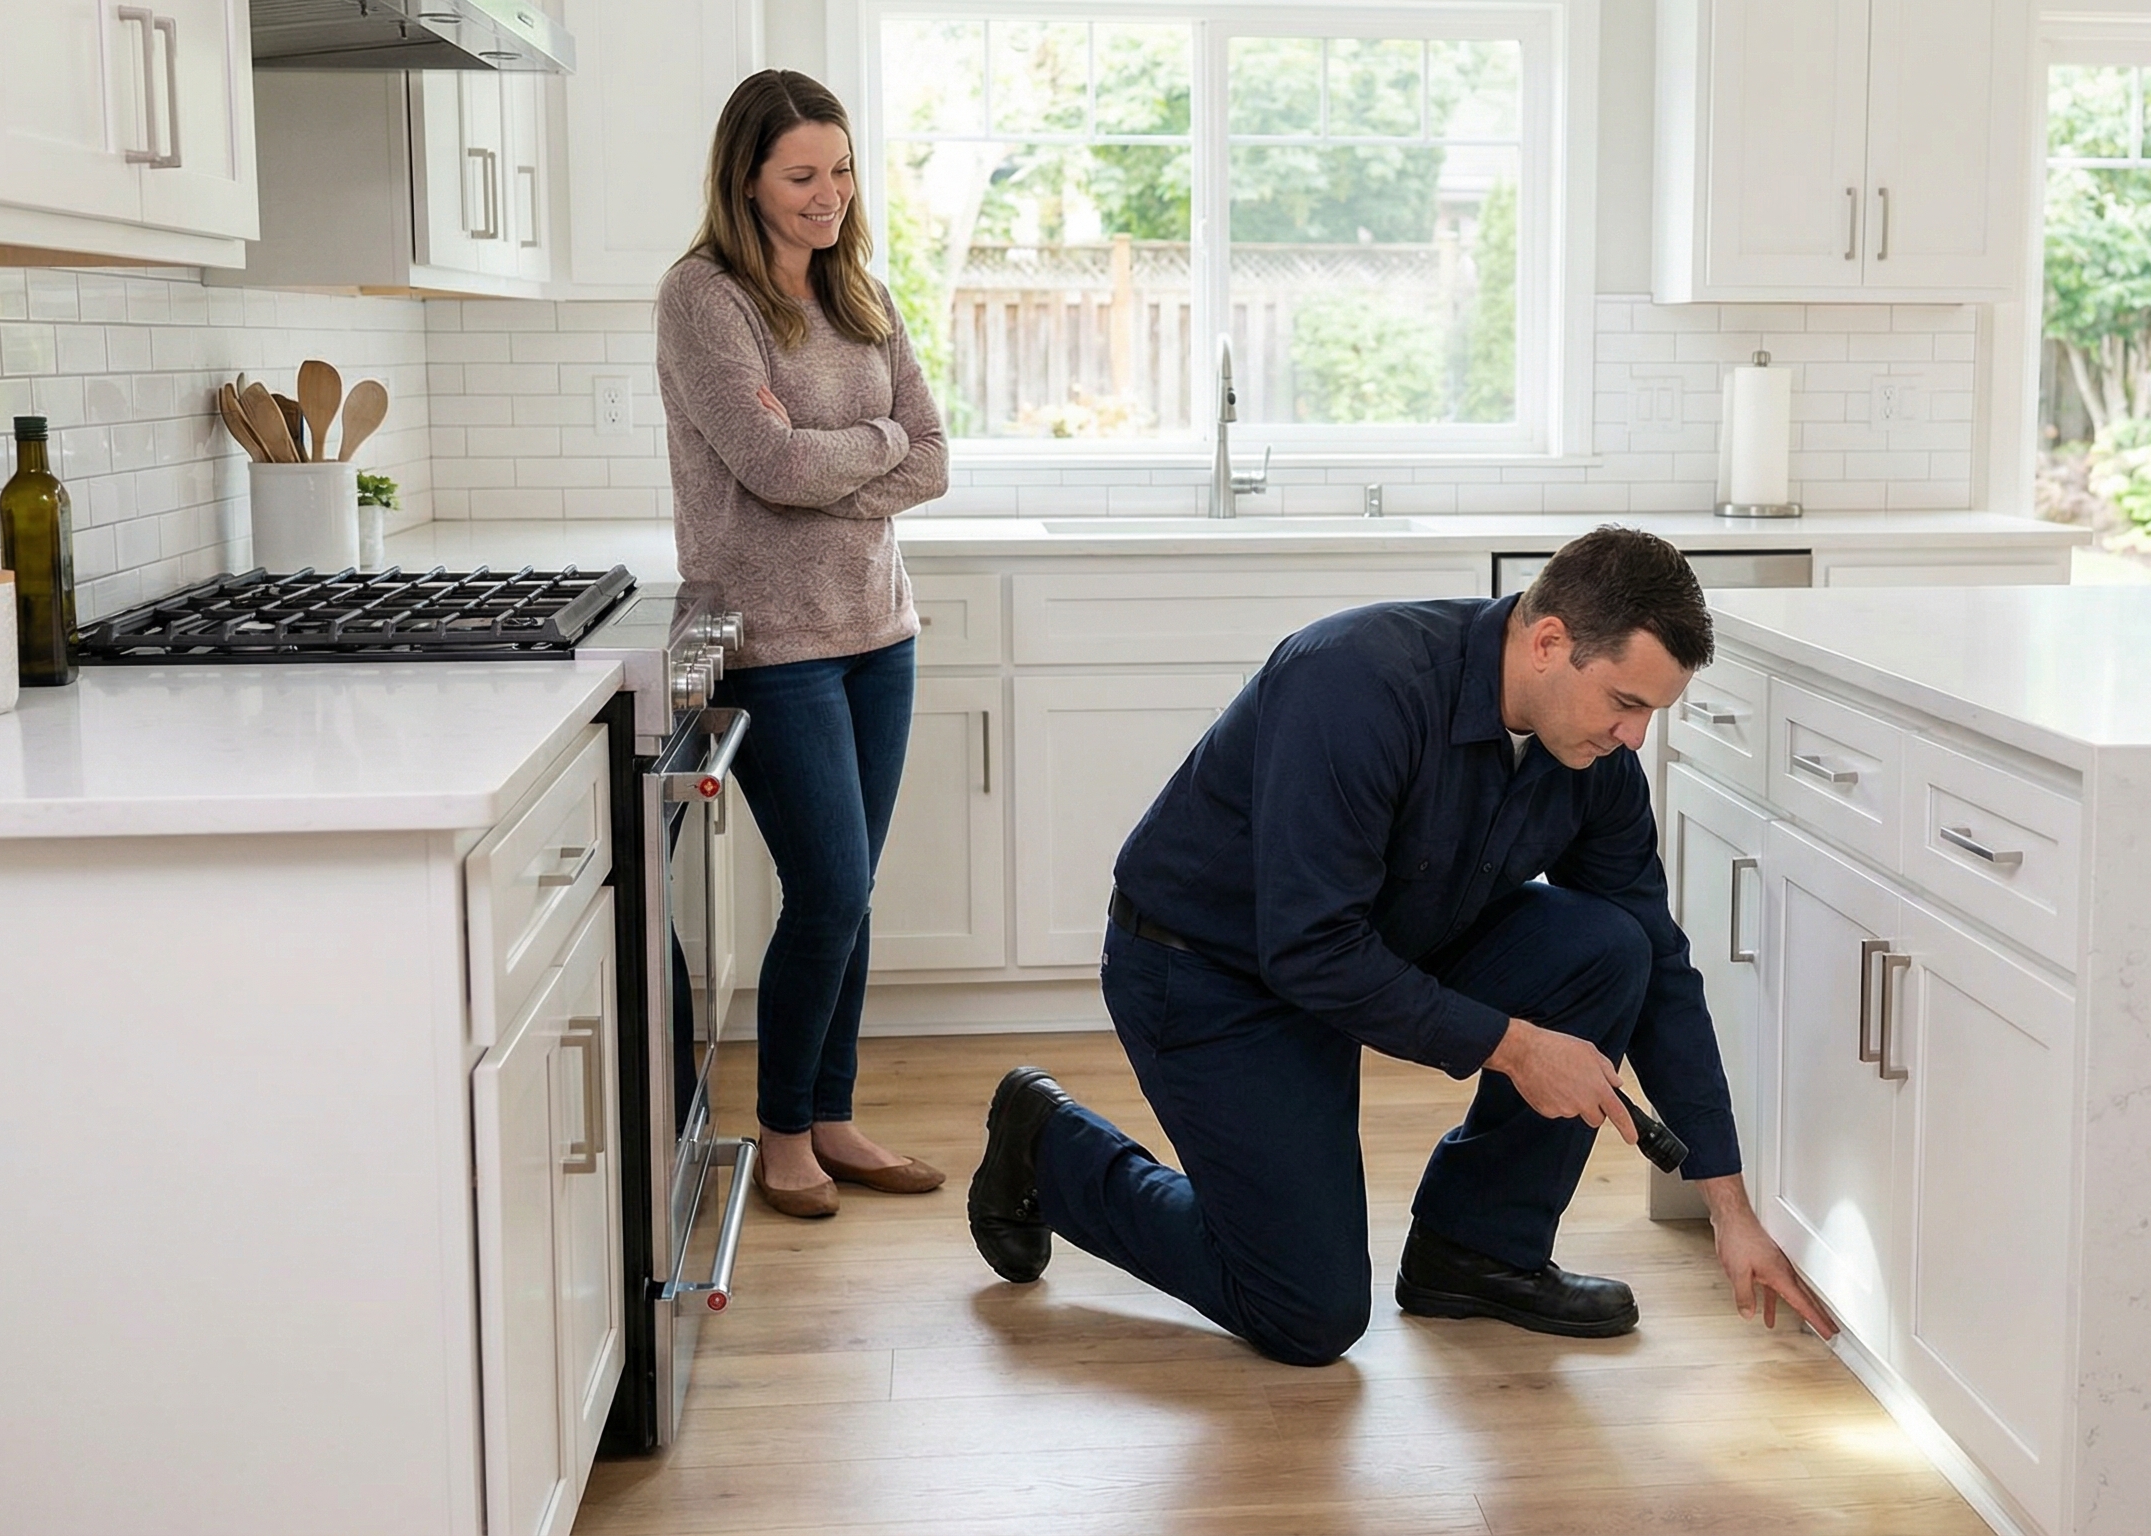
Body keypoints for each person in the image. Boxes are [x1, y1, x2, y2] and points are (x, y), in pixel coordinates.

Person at [965, 526, 1838, 1364]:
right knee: (1309, 1312)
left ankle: (1478, 1252)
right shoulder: (1355, 682)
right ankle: (1049, 1145)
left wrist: (1728, 1205)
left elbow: (1661, 967)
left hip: (1386, 940)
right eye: (1626, 702)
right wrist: (1518, 1048)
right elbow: (1309, 950)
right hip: (1211, 971)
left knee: (1611, 949)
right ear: (1548, 642)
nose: (1636, 737)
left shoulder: (1593, 763)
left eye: (1651, 712)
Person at [656, 70, 949, 1219]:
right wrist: (860, 462)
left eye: (838, 172)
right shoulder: (704, 298)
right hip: (771, 638)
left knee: (854, 889)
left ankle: (831, 1113)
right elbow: (762, 468)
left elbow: (930, 456)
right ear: (746, 179)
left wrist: (840, 447)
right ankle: (781, 1134)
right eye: (801, 176)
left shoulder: (861, 292)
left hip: (880, 629)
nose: (828, 196)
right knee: (825, 886)